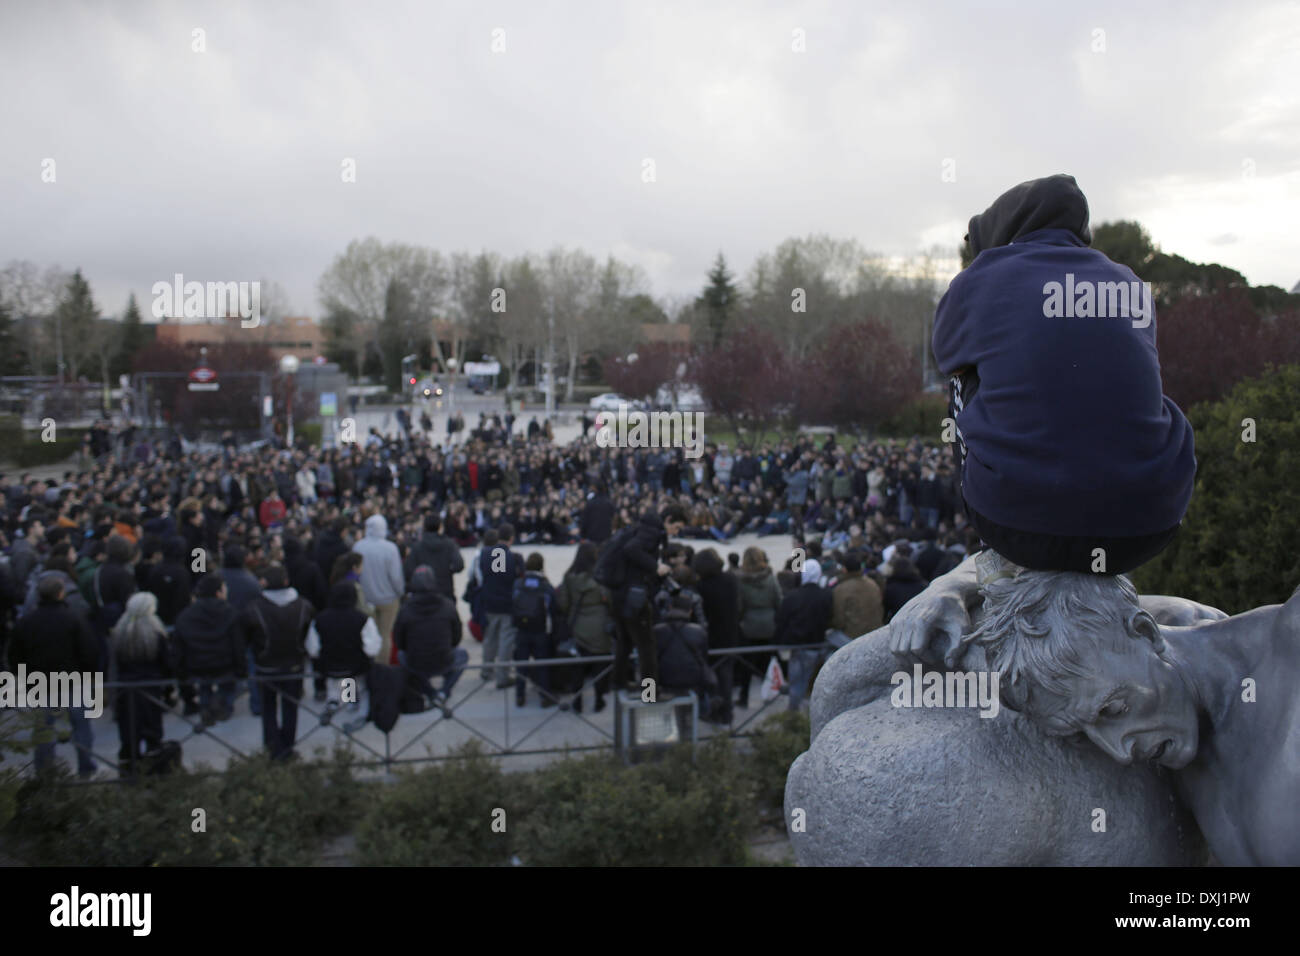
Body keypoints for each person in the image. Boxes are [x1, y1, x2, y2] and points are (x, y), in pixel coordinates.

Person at [933, 173, 1195, 573]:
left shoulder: (982, 278)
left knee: (961, 377)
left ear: (1005, 227)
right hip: (1149, 524)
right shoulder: (1129, 280)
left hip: (1019, 527)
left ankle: (988, 539)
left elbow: (947, 355)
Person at [9, 575, 99, 778]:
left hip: (40, 684)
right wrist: (91, 675)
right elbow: (89, 650)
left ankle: (45, 771)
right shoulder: (73, 618)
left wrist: (24, 678)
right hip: (72, 682)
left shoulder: (27, 621)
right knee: (81, 726)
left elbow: (14, 655)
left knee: (44, 729)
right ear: (61, 594)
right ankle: (86, 765)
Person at [241, 564, 314, 761]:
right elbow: (309, 637)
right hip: (294, 665)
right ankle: (287, 747)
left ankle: (274, 748)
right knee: (291, 707)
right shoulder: (303, 606)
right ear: (286, 582)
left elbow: (245, 639)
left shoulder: (254, 608)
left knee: (269, 708)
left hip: (266, 665)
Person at [610, 506, 687, 694]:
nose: (676, 532)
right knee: (647, 647)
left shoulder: (642, 528)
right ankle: (650, 694)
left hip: (620, 594)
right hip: (634, 596)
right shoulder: (651, 532)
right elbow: (631, 550)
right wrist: (655, 566)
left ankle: (618, 681)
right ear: (668, 519)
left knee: (625, 642)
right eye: (676, 527)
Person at [109, 591, 170, 777]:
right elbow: (166, 662)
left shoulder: (119, 633)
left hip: (125, 689)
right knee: (152, 731)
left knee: (129, 733)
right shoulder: (155, 633)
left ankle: (129, 770)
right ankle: (154, 770)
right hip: (149, 687)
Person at [307, 581, 382, 726]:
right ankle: (352, 703)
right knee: (352, 678)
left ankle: (337, 700)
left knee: (340, 679)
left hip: (329, 666)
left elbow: (313, 648)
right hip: (356, 667)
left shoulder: (319, 620)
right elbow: (372, 648)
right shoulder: (362, 619)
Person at [172, 574, 244, 726]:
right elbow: (238, 643)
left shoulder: (186, 615)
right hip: (225, 663)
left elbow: (179, 645)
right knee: (229, 687)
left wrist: (180, 671)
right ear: (218, 593)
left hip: (197, 664)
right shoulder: (230, 612)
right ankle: (220, 704)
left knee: (205, 687)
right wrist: (241, 668)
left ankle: (206, 707)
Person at [393, 565, 467, 705]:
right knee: (462, 655)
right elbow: (457, 636)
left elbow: (399, 641)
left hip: (417, 661)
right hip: (443, 658)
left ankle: (430, 692)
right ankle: (443, 691)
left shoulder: (405, 609)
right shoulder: (447, 605)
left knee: (401, 657)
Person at [555, 542, 612, 714]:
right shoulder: (601, 575)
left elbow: (563, 604)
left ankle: (577, 701)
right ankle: (599, 699)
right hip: (600, 626)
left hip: (578, 626)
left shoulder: (569, 576)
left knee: (578, 667)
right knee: (600, 667)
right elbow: (609, 599)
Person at [775, 559, 833, 711]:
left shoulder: (793, 597)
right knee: (811, 684)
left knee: (797, 684)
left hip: (800, 646)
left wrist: (779, 642)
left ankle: (794, 718)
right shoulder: (826, 595)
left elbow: (780, 620)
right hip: (819, 645)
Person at [351, 514, 406, 664]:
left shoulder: (358, 546)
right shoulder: (390, 548)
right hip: (388, 599)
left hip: (366, 598)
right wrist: (401, 593)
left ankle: (371, 666)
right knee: (385, 635)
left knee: (369, 635)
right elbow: (396, 577)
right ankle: (381, 668)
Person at [691, 547, 738, 723]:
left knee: (711, 678)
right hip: (730, 635)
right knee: (726, 677)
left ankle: (715, 711)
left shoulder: (702, 587)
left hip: (712, 638)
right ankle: (726, 713)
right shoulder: (731, 580)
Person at [735, 546, 781, 709]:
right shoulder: (770, 577)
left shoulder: (741, 580)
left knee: (747, 662)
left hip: (749, 624)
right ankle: (769, 694)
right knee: (767, 661)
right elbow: (778, 600)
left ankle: (744, 696)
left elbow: (739, 605)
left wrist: (741, 620)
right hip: (769, 623)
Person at [479, 523, 523, 689]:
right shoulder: (513, 557)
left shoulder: (485, 553)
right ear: (511, 538)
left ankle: (486, 670)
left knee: (490, 637)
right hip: (506, 603)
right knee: (505, 640)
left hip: (489, 602)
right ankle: (502, 676)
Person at [511, 553, 558, 708]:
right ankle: (544, 696)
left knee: (521, 665)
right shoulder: (545, 586)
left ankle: (520, 695)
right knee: (542, 664)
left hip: (521, 629)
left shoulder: (518, 583)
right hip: (540, 630)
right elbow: (553, 608)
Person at [828, 553, 884, 646]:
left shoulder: (841, 589)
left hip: (854, 637)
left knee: (830, 635)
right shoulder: (872, 584)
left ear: (844, 569)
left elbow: (839, 621)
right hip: (876, 632)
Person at [403, 514, 464, 598]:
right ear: (440, 527)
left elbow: (408, 570)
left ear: (424, 527)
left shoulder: (417, 547)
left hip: (423, 591)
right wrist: (447, 571)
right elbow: (459, 565)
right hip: (445, 590)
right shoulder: (449, 544)